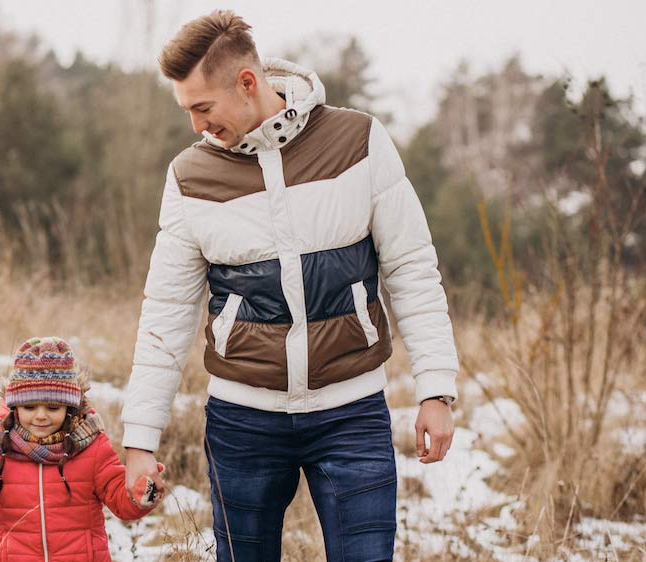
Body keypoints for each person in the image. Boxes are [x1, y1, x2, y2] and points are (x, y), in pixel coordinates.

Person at [120, 11, 459, 562]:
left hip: (352, 411)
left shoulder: (359, 141)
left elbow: (412, 268)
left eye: (202, 108)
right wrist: (140, 439)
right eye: (186, 111)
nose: (195, 125)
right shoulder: (190, 177)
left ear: (247, 83)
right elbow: (166, 312)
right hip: (241, 421)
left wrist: (436, 389)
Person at [0, 337, 162, 561]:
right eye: (29, 407)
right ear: (14, 407)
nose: (41, 416)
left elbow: (119, 497)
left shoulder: (91, 445)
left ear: (69, 407)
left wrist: (141, 494)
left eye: (53, 408)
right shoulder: (0, 447)